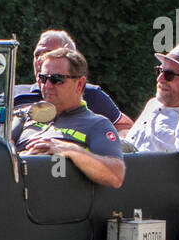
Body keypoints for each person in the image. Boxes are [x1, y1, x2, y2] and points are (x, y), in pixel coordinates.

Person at [13, 47, 125, 188]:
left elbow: (115, 175)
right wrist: (26, 155)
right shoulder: (26, 113)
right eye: (43, 78)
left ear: (79, 84)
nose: (47, 86)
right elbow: (0, 150)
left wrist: (71, 150)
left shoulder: (97, 124)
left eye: (56, 79)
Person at [12, 29, 134, 132]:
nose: (40, 60)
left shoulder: (90, 94)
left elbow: (125, 127)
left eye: (49, 54)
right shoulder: (14, 94)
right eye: (37, 55)